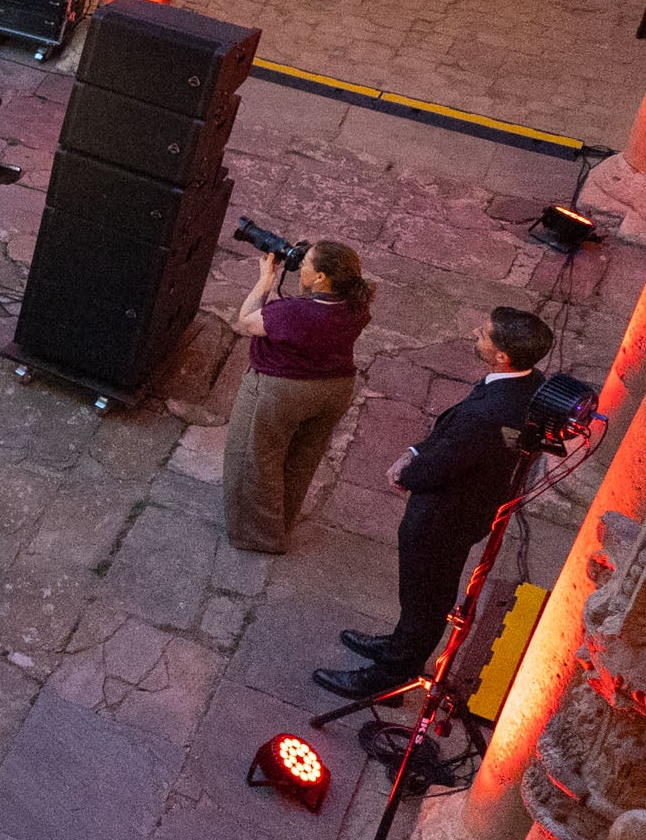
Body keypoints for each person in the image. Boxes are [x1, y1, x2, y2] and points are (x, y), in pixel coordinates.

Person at [324, 306, 558, 699]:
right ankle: (399, 645)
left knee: (424, 600)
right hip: (463, 506)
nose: (475, 333)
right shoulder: (522, 382)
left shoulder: (488, 414)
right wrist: (416, 449)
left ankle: (390, 678)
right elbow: (456, 437)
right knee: (420, 597)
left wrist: (407, 473)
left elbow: (447, 459)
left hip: (443, 519)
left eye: (483, 334)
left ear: (502, 356)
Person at [230, 237, 378, 556]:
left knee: (258, 457)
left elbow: (245, 321)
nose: (300, 269)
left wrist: (266, 279)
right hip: (335, 389)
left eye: (306, 265)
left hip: (284, 389)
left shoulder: (292, 312)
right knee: (302, 459)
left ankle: (260, 536)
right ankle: (282, 521)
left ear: (322, 278)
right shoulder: (356, 305)